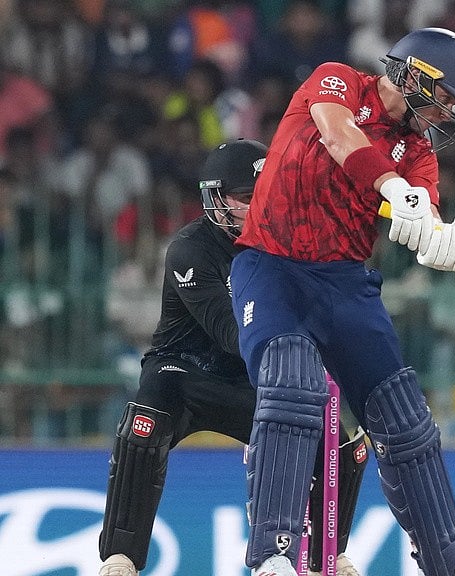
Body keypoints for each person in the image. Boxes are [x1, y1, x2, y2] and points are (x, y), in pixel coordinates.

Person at [230, 28, 455, 576]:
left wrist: (440, 238)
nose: (444, 116)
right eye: (443, 101)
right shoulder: (337, 81)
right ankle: (274, 555)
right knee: (294, 383)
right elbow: (339, 135)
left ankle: (453, 564)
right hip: (272, 267)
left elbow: (423, 214)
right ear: (414, 75)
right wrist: (391, 187)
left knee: (404, 417)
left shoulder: (421, 155)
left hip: (344, 283)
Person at [97, 139, 364, 576]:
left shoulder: (294, 241)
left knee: (342, 440)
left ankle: (324, 556)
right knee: (148, 409)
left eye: (265, 194)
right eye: (245, 198)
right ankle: (121, 555)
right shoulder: (190, 249)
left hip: (256, 378)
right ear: (216, 200)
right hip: (187, 370)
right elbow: (229, 332)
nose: (259, 207)